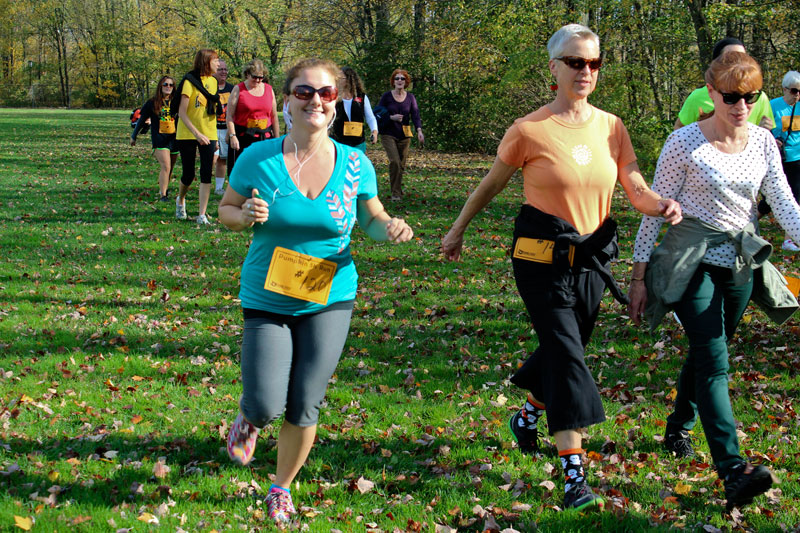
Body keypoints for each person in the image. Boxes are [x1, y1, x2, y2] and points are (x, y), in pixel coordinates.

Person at [441, 24, 682, 512]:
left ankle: (527, 416)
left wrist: (658, 205)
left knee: (561, 351)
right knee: (569, 358)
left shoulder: (612, 127)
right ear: (553, 68)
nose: (586, 71)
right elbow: (489, 185)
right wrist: (457, 228)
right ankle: (574, 473)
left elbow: (633, 186)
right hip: (539, 257)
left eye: (593, 63)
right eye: (575, 62)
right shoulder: (529, 129)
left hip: (591, 257)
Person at [219, 58, 413, 526]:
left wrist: (388, 227)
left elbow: (369, 215)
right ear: (286, 99)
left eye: (326, 93)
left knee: (306, 399)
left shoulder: (353, 163)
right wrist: (243, 215)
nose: (316, 101)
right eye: (304, 92)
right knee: (267, 402)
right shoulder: (257, 159)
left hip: (331, 293)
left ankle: (280, 487)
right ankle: (249, 415)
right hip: (268, 295)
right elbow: (227, 207)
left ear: (338, 101)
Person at [629, 52, 800, 511]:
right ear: (711, 93)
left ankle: (678, 426)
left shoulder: (765, 142)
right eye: (731, 96)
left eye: (750, 96)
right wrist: (639, 275)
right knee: (714, 356)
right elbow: (651, 213)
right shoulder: (683, 142)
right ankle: (732, 470)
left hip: (741, 262)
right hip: (691, 260)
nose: (741, 105)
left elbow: (782, 202)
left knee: (711, 349)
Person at [674, 38, 774, 131]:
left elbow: (767, 130)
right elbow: (679, 128)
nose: (742, 105)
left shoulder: (759, 96)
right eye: (729, 98)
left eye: (749, 98)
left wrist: (763, 132)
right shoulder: (697, 97)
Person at [175, 48, 221, 225]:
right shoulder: (189, 81)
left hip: (208, 133)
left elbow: (213, 112)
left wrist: (213, 136)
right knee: (188, 173)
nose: (218, 63)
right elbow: (182, 112)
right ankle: (180, 199)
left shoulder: (214, 82)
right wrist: (197, 134)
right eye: (215, 60)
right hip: (187, 133)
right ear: (205, 62)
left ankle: (202, 214)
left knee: (206, 173)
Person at [225, 59, 280, 176]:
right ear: (247, 74)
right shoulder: (238, 89)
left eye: (261, 77)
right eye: (255, 77)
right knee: (240, 172)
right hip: (243, 137)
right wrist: (232, 135)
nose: (258, 80)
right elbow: (229, 115)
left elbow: (274, 116)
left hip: (264, 137)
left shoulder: (269, 89)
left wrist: (277, 140)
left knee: (263, 172)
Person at [377, 68, 424, 201]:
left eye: (402, 78)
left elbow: (415, 115)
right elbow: (378, 113)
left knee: (401, 165)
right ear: (393, 81)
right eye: (397, 78)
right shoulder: (386, 96)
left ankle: (397, 190)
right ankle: (396, 194)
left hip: (404, 135)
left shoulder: (410, 97)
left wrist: (419, 131)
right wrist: (391, 118)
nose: (399, 81)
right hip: (388, 133)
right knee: (395, 162)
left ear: (406, 81)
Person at [130, 75, 178, 201]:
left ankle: (165, 189)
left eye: (171, 85)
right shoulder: (152, 103)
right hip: (159, 138)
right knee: (165, 166)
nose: (168, 87)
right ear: (160, 87)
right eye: (165, 85)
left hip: (174, 138)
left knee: (170, 167)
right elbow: (141, 120)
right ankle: (163, 195)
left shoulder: (177, 102)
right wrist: (134, 136)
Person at [770, 70, 800, 251]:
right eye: (794, 91)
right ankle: (747, 229)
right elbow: (760, 128)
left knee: (796, 196)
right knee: (768, 200)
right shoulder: (773, 105)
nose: (797, 95)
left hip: (797, 157)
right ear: (784, 89)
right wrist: (773, 139)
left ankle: (788, 239)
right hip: (777, 158)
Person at [331, 67, 378, 153]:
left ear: (349, 80)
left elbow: (370, 117)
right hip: (339, 141)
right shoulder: (333, 96)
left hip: (358, 142)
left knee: (356, 165)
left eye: (341, 78)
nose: (337, 80)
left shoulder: (361, 97)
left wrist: (374, 131)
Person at [213, 59, 235, 195]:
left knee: (223, 159)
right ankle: (205, 183)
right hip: (212, 128)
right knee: (211, 158)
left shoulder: (232, 89)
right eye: (220, 69)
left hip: (226, 128)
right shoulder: (209, 87)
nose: (224, 72)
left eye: (225, 69)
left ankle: (218, 188)